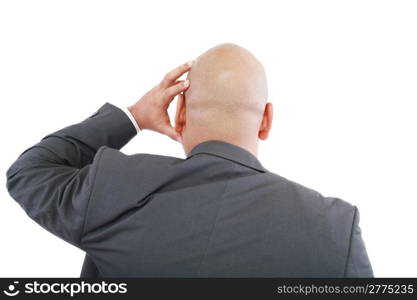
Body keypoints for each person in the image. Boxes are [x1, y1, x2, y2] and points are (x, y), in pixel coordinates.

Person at [6, 43, 373, 277]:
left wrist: (134, 115)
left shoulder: (116, 188)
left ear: (179, 113)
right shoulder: (333, 228)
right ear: (266, 120)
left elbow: (29, 172)